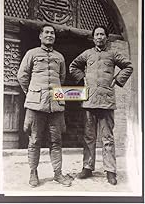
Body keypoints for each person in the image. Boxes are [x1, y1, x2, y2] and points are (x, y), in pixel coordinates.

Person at [69, 25, 133, 185]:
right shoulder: (87, 54)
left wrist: (117, 80)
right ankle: (87, 167)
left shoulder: (113, 54)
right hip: (90, 101)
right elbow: (73, 66)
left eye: (102, 34)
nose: (99, 37)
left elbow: (128, 66)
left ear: (106, 37)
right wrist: (82, 77)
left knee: (107, 138)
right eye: (97, 34)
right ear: (93, 37)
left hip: (106, 101)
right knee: (89, 136)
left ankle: (110, 170)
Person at [17, 24, 71, 187]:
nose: (50, 35)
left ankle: (58, 173)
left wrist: (54, 94)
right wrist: (32, 93)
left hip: (56, 103)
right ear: (40, 36)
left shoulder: (60, 57)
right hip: (35, 104)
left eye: (52, 33)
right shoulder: (31, 54)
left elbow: (62, 78)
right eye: (46, 32)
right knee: (34, 140)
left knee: (57, 140)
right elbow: (22, 76)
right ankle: (33, 173)